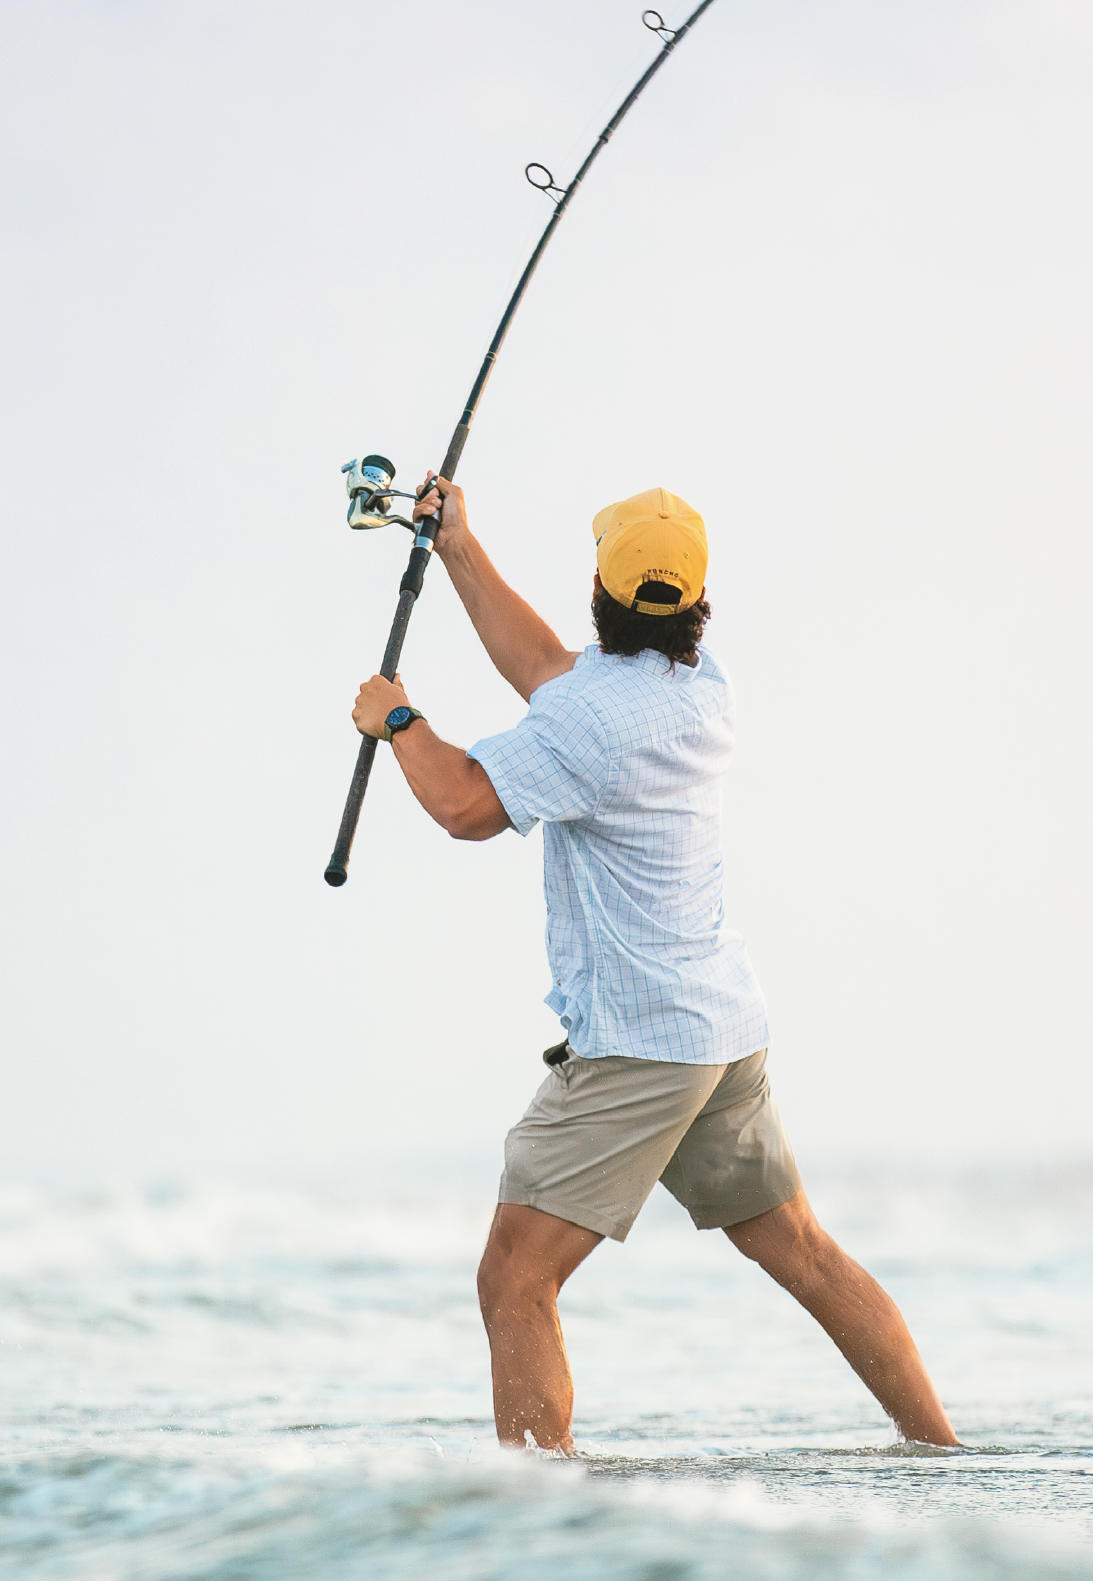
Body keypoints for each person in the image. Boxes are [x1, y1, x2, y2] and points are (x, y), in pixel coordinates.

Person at [351, 479, 959, 1456]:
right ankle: (940, 1450)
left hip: (636, 1048)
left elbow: (466, 804)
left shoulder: (591, 720)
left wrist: (398, 721)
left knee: (515, 1275)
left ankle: (538, 1515)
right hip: (717, 1031)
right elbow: (545, 668)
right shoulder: (697, 685)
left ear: (601, 583)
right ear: (690, 602)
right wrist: (458, 546)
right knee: (801, 1249)